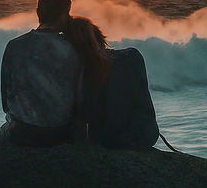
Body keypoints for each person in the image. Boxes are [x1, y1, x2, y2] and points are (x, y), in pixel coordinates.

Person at [0, 0, 82, 147]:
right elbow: (80, 103)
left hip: (21, 134)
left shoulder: (14, 46)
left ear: (38, 12)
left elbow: (6, 103)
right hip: (61, 134)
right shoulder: (74, 48)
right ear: (66, 12)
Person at [64, 16, 159, 151]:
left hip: (101, 141)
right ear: (100, 40)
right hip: (138, 137)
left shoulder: (71, 66)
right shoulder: (129, 58)